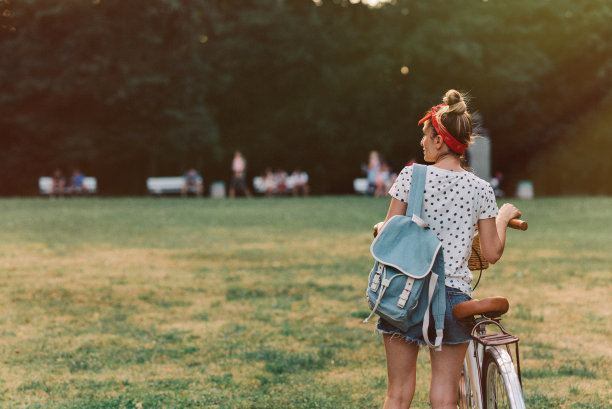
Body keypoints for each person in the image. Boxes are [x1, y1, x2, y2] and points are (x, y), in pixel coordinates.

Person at [372, 89, 521, 409]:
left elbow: (386, 233)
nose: (422, 142)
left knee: (397, 394)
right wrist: (505, 216)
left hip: (405, 293)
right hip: (453, 295)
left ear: (439, 141)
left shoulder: (411, 176)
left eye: (426, 136)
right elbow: (491, 252)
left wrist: (380, 229)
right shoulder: (481, 189)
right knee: (444, 396)